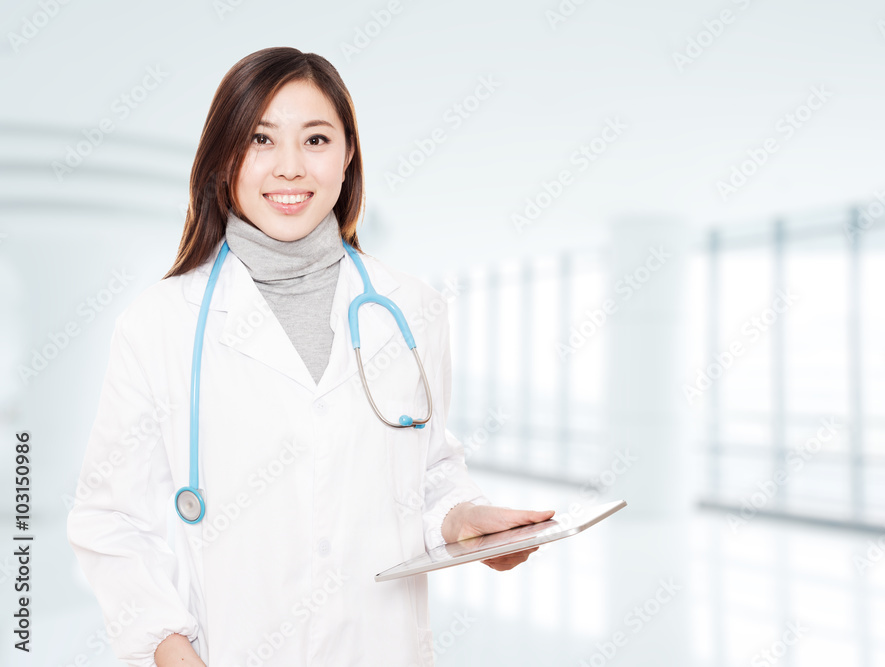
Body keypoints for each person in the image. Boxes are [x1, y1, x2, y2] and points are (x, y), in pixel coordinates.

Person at [66, 46, 553, 667]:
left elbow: (426, 472)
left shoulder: (414, 308)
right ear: (224, 160)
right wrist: (169, 649)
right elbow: (111, 520)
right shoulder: (159, 323)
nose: (290, 168)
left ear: (348, 156)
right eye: (262, 140)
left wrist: (464, 521)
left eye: (316, 140)